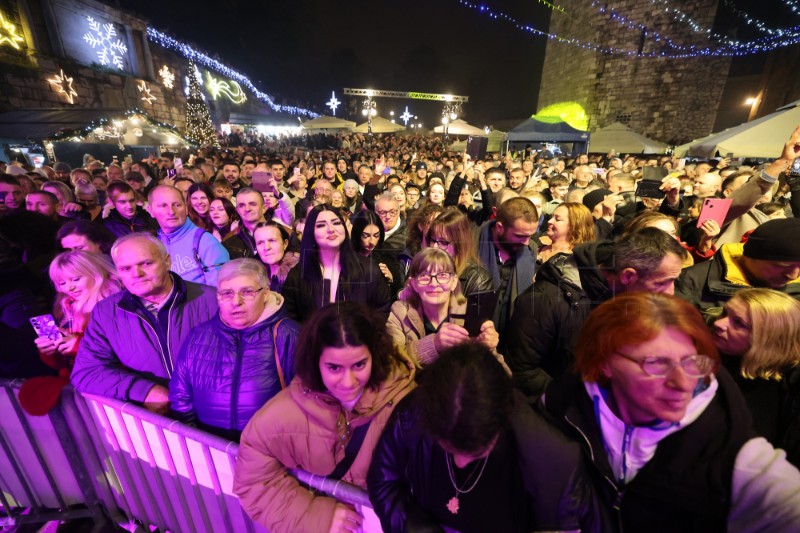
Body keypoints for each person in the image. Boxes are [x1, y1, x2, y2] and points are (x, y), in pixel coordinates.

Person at [544, 292, 800, 531]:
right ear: (604, 362)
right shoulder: (562, 404)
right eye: (656, 363)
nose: (683, 383)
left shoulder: (731, 451)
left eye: (691, 362)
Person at [368, 342, 595, 533]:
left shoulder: (552, 461)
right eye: (447, 445)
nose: (460, 462)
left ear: (502, 422)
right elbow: (383, 482)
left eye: (476, 450)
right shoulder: (414, 412)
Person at [233, 302, 416, 532]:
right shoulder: (285, 411)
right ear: (316, 361)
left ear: (375, 355)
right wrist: (313, 516)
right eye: (334, 368)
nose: (348, 382)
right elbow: (253, 481)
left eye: (359, 364)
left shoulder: (407, 405)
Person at [507, 228, 687, 400]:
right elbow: (522, 371)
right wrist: (578, 405)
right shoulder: (545, 300)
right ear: (627, 277)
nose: (670, 292)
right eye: (662, 283)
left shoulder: (634, 297)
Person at [71, 233, 218, 411]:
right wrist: (143, 391)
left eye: (146, 264)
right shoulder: (107, 312)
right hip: (159, 421)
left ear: (167, 261)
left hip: (218, 416)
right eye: (126, 269)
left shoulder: (213, 299)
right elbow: (86, 372)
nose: (137, 274)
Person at [169, 259, 300, 441]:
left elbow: (308, 402)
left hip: (269, 455)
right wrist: (196, 441)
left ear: (266, 293)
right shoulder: (198, 336)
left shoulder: (289, 335)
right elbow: (181, 396)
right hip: (211, 450)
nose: (236, 302)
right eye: (227, 293)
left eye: (247, 292)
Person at [713, 288, 800, 465]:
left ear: (769, 338)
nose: (719, 323)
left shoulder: (790, 388)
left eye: (738, 323)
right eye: (725, 312)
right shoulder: (703, 357)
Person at [387, 248, 499, 367]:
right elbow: (391, 363)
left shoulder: (472, 312)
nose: (434, 284)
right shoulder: (400, 312)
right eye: (424, 276)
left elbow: (503, 375)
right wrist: (433, 345)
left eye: (442, 275)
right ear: (413, 284)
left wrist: (487, 349)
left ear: (454, 282)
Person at [282, 205, 392, 322]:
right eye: (321, 225)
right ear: (311, 232)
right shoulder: (298, 276)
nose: (331, 229)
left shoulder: (369, 269)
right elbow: (290, 319)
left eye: (336, 223)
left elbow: (381, 310)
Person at [676, 218, 800, 314]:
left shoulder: (796, 289)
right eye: (783, 265)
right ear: (751, 256)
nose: (793, 275)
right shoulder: (690, 281)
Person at [475, 197, 539, 343]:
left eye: (530, 235)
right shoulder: (472, 244)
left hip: (511, 338)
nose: (526, 242)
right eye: (519, 236)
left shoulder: (531, 249)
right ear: (499, 227)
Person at [149, 185, 230, 286]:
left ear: (186, 209)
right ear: (150, 211)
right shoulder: (154, 245)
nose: (171, 212)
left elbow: (220, 291)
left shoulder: (205, 242)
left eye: (177, 205)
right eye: (163, 206)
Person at [426, 207, 493, 297]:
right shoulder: (422, 268)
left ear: (460, 244)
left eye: (443, 242)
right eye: (433, 240)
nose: (434, 247)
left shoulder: (478, 279)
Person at [350, 209, 403, 296]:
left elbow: (398, 289)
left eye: (376, 235)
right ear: (357, 233)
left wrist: (391, 279)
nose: (372, 241)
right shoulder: (348, 252)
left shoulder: (387, 253)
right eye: (366, 235)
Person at [253, 222, 298, 293]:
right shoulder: (255, 275)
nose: (266, 247)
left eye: (272, 240)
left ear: (285, 244)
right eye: (260, 243)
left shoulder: (299, 273)